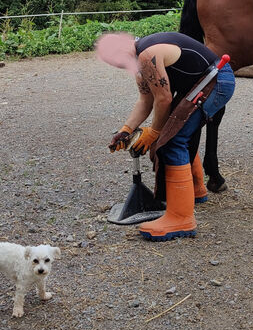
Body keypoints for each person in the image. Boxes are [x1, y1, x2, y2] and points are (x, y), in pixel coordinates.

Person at [95, 31, 235, 241]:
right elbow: (146, 101)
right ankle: (195, 189)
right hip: (201, 82)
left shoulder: (147, 56)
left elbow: (163, 100)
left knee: (171, 141)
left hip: (216, 81)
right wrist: (126, 130)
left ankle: (181, 218)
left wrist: (154, 133)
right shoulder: (140, 62)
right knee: (175, 133)